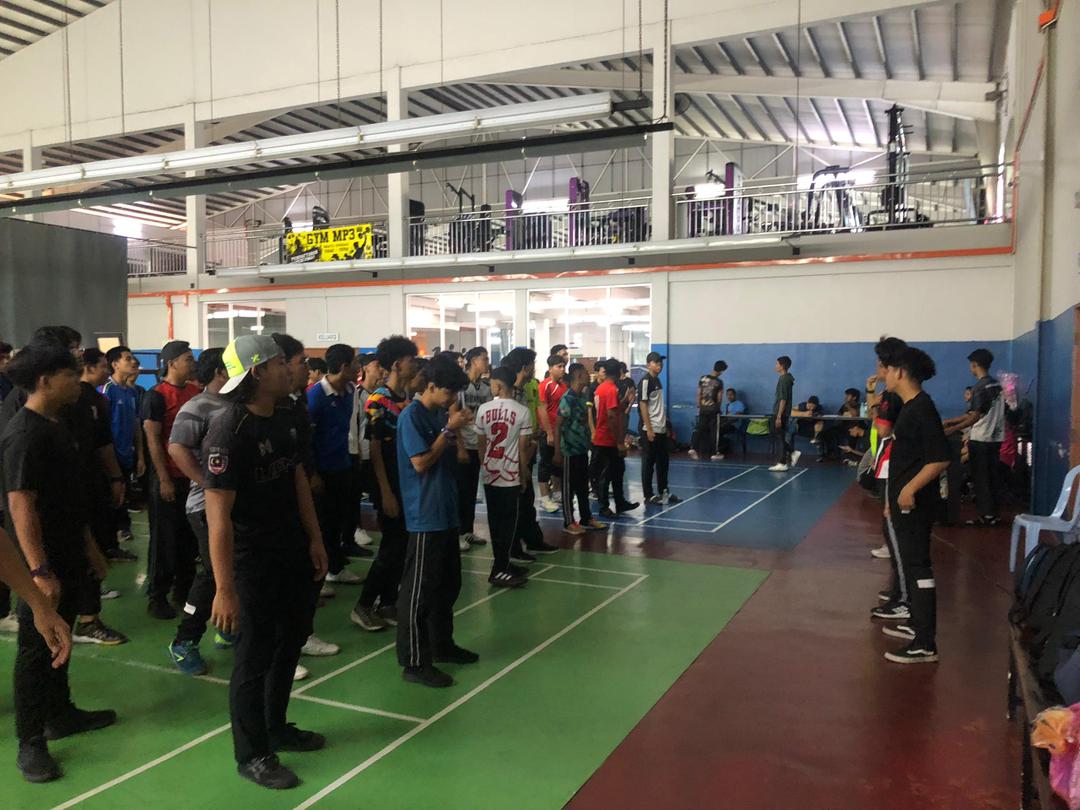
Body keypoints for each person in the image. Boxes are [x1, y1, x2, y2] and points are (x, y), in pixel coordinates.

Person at [204, 334, 329, 789]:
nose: (290, 369)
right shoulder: (229, 430)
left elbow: (297, 481)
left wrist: (314, 539)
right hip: (251, 560)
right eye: (280, 363)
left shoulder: (286, 416)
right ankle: (252, 753)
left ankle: (276, 727)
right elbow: (218, 518)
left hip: (290, 550)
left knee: (289, 641)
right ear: (257, 372)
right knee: (253, 656)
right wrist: (224, 588)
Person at [1, 340, 116, 783]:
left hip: (68, 553)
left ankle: (60, 714)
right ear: (45, 381)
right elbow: (21, 506)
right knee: (36, 649)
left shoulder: (58, 424)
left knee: (61, 636)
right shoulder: (23, 434)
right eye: (70, 374)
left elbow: (69, 497)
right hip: (42, 563)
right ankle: (30, 741)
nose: (78, 380)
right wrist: (38, 571)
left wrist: (89, 548)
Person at [395, 354, 475, 688]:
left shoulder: (440, 414)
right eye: (448, 392)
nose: (452, 398)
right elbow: (420, 463)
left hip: (446, 511)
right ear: (430, 386)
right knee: (418, 592)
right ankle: (414, 662)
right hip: (424, 514)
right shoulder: (411, 417)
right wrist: (448, 430)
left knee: (448, 585)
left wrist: (456, 433)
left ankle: (441, 644)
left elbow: (450, 455)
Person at [878, 346, 950, 664]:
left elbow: (940, 458)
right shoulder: (910, 408)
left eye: (888, 368)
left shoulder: (921, 408)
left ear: (900, 371)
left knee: (918, 566)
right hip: (903, 504)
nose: (884, 374)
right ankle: (917, 626)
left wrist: (909, 488)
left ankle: (925, 643)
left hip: (916, 505)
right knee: (910, 565)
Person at [166, 348, 231, 675]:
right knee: (213, 573)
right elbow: (176, 447)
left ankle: (228, 628)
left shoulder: (235, 404)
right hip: (204, 506)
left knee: (232, 569)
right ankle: (184, 642)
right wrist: (207, 483)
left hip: (232, 505)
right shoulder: (198, 406)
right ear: (220, 371)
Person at [351, 336, 418, 632]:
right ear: (397, 364)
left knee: (402, 545)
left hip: (406, 482)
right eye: (411, 360)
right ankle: (363, 605)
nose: (414, 365)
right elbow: (375, 449)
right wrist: (386, 492)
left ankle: (388, 601)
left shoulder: (406, 397)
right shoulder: (378, 400)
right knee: (391, 546)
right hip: (387, 482)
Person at [142, 340, 201, 620]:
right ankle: (157, 596)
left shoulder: (194, 392)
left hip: (191, 477)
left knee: (189, 539)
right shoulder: (156, 396)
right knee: (164, 540)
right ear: (171, 363)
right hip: (168, 478)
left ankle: (183, 591)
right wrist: (163, 478)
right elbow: (153, 439)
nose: (192, 363)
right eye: (188, 359)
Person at [308, 343, 364, 585]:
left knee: (338, 519)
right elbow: (307, 440)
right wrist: (313, 474)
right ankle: (320, 574)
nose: (359, 368)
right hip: (322, 471)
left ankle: (335, 568)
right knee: (322, 524)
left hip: (343, 464)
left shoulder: (350, 391)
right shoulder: (315, 396)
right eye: (356, 363)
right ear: (344, 366)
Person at [475, 366, 531, 587]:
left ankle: (503, 563)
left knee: (495, 521)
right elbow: (522, 449)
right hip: (510, 475)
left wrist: (485, 466)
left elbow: (481, 445)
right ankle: (499, 569)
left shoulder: (483, 409)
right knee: (508, 524)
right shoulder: (522, 411)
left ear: (498, 385)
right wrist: (523, 475)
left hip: (490, 473)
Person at [502, 348, 558, 558]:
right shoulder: (508, 393)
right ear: (525, 367)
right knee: (516, 501)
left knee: (527, 498)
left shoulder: (530, 387)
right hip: (514, 453)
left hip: (529, 447)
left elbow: (537, 411)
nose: (535, 368)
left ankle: (532, 539)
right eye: (532, 364)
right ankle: (514, 547)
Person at [942, 349, 1005, 526]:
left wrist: (952, 428)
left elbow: (974, 416)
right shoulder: (997, 385)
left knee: (981, 479)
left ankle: (986, 516)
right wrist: (951, 421)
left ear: (975, 365)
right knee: (992, 478)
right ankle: (994, 514)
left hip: (981, 438)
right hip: (996, 438)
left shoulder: (979, 387)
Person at [555, 363, 605, 535]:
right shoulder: (567, 399)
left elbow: (584, 421)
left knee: (583, 487)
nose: (588, 376)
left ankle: (586, 518)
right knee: (568, 489)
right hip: (569, 451)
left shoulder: (583, 397)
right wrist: (557, 452)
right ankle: (569, 521)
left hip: (582, 450)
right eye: (585, 373)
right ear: (577, 376)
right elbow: (558, 426)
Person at [101, 346, 145, 544]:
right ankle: (111, 539)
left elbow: (136, 425)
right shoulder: (107, 390)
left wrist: (140, 456)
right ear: (115, 364)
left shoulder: (132, 392)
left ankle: (122, 531)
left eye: (133, 358)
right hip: (112, 455)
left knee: (123, 495)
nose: (134, 362)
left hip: (128, 454)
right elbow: (102, 428)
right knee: (112, 496)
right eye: (128, 359)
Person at [592, 358, 639, 518]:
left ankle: (620, 502)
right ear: (619, 372)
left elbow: (613, 409)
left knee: (618, 471)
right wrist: (619, 442)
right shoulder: (611, 389)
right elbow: (611, 416)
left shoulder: (602, 388)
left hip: (607, 437)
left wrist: (624, 401)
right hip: (607, 439)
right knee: (606, 475)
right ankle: (604, 506)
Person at [456, 347, 491, 551]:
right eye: (484, 359)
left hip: (479, 444)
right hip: (464, 444)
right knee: (461, 491)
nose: (487, 362)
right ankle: (458, 532)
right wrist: (460, 446)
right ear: (473, 360)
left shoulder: (486, 387)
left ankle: (468, 530)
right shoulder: (460, 386)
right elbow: (455, 416)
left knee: (471, 491)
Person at [350, 353, 383, 550]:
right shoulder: (358, 394)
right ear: (365, 369)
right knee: (355, 493)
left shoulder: (380, 394)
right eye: (377, 366)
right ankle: (356, 528)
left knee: (378, 492)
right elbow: (354, 426)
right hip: (362, 452)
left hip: (376, 452)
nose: (381, 370)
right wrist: (358, 452)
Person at [638, 352, 680, 505]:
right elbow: (643, 405)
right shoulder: (645, 381)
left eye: (660, 363)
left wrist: (664, 423)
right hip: (649, 428)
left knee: (663, 462)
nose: (659, 365)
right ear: (648, 364)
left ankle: (664, 491)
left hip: (660, 428)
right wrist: (649, 429)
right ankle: (648, 495)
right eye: (656, 363)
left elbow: (657, 406)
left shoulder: (658, 380)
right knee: (649, 463)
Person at [537, 354, 568, 513]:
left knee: (558, 463)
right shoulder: (545, 385)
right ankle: (544, 498)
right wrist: (548, 432)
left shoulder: (563, 386)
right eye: (559, 367)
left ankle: (556, 493)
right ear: (550, 368)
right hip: (548, 432)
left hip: (561, 432)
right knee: (545, 463)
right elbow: (542, 409)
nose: (562, 369)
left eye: (563, 366)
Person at [768, 356, 800, 472]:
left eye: (777, 364)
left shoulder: (784, 379)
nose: (775, 366)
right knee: (779, 435)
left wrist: (779, 417)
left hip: (780, 413)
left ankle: (783, 461)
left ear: (782, 366)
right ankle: (791, 453)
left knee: (779, 436)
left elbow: (783, 399)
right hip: (782, 412)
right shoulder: (787, 378)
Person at [690, 361, 726, 460]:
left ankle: (693, 448)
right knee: (714, 431)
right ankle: (714, 453)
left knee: (700, 428)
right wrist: (718, 408)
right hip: (713, 409)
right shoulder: (719, 382)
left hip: (703, 408)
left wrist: (699, 406)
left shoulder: (703, 378)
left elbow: (698, 393)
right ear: (721, 371)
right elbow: (719, 398)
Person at [717, 387, 746, 455]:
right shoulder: (728, 405)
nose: (729, 396)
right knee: (714, 430)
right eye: (728, 395)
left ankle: (725, 445)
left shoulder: (739, 404)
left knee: (719, 431)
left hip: (734, 426)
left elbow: (737, 417)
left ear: (735, 395)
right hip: (727, 424)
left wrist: (725, 423)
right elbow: (725, 417)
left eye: (731, 395)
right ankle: (722, 445)